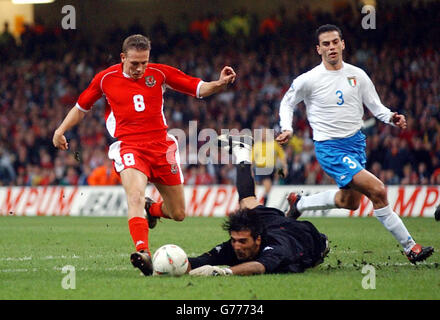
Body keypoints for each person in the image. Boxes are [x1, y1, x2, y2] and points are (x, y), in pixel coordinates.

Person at [52, 34, 236, 276]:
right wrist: (61, 130)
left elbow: (196, 87)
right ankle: (143, 253)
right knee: (136, 196)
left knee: (178, 213)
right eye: (134, 63)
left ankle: (153, 211)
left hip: (162, 147)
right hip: (129, 146)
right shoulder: (106, 78)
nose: (140, 68)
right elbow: (81, 107)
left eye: (144, 63)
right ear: (123, 58)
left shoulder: (159, 73)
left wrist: (219, 84)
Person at [276, 24, 434, 264]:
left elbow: (376, 106)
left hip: (356, 145)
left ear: (343, 44)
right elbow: (287, 103)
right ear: (318, 49)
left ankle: (300, 202)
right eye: (326, 44)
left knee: (348, 201)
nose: (331, 47)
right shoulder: (308, 80)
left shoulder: (357, 75)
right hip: (330, 148)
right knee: (378, 190)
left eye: (335, 42)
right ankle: (411, 247)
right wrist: (287, 127)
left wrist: (391, 117)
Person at [188, 134, 329, 276]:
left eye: (242, 241)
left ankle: (292, 213)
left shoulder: (277, 249)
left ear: (258, 240)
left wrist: (223, 272)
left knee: (247, 205)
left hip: (305, 236)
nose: (237, 246)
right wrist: (172, 263)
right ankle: (241, 150)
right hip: (272, 223)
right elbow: (201, 260)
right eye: (234, 240)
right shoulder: (236, 245)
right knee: (247, 202)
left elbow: (259, 267)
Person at [252, 127, 288, 205]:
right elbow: (251, 159)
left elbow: (282, 156)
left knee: (269, 187)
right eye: (262, 133)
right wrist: (250, 170)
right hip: (261, 168)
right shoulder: (257, 145)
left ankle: (264, 201)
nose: (263, 135)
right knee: (267, 185)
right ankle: (261, 204)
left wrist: (285, 167)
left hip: (272, 169)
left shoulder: (274, 144)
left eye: (265, 133)